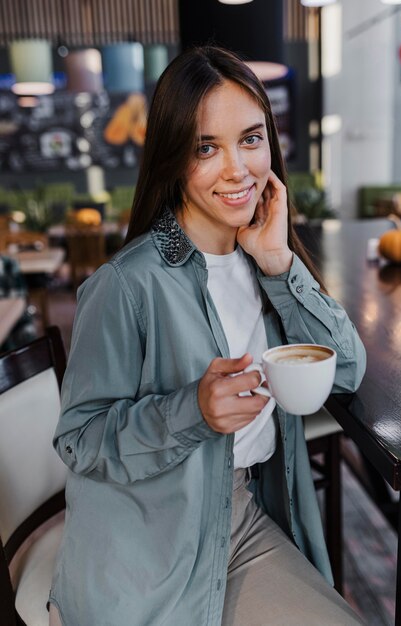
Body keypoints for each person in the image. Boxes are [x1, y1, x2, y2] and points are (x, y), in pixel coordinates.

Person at [49, 46, 366, 626]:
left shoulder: (262, 259)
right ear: (174, 157)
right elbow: (79, 440)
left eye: (250, 138)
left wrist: (278, 264)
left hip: (241, 519)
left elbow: (344, 370)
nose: (237, 169)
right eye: (206, 147)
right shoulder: (126, 285)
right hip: (144, 545)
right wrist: (191, 409)